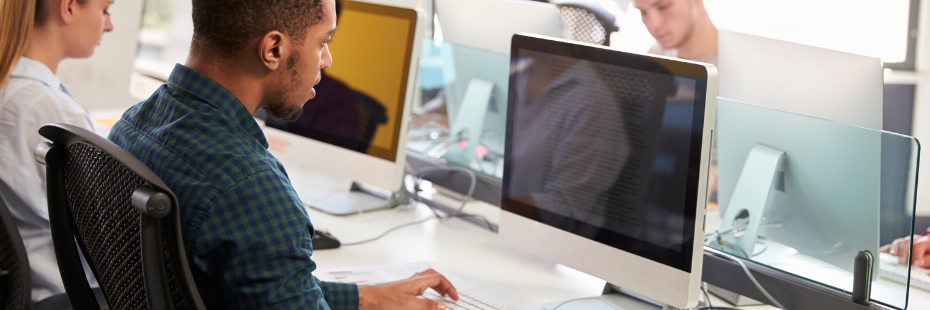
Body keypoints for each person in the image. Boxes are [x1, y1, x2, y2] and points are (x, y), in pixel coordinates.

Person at [107, 0, 458, 309]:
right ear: (273, 49)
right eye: (323, 42)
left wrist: (366, 299)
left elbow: (257, 285)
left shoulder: (131, 126)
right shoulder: (253, 188)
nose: (327, 59)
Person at [0, 0, 113, 304]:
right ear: (68, 7)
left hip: (23, 291)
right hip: (64, 295)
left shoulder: (11, 90)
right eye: (105, 10)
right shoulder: (52, 114)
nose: (110, 25)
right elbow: (110, 238)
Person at [635, 0, 718, 66]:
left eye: (663, 7)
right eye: (643, 12)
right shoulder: (655, 57)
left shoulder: (725, 67)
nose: (654, 25)